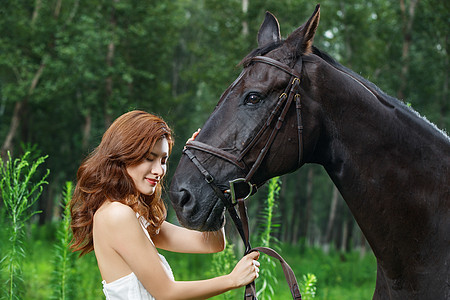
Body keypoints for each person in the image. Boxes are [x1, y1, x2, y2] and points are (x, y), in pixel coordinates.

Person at [70, 110, 260, 300]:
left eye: (163, 160)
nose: (158, 170)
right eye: (149, 158)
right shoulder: (117, 215)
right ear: (124, 154)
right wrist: (232, 280)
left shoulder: (135, 217)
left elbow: (212, 244)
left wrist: (205, 169)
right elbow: (166, 293)